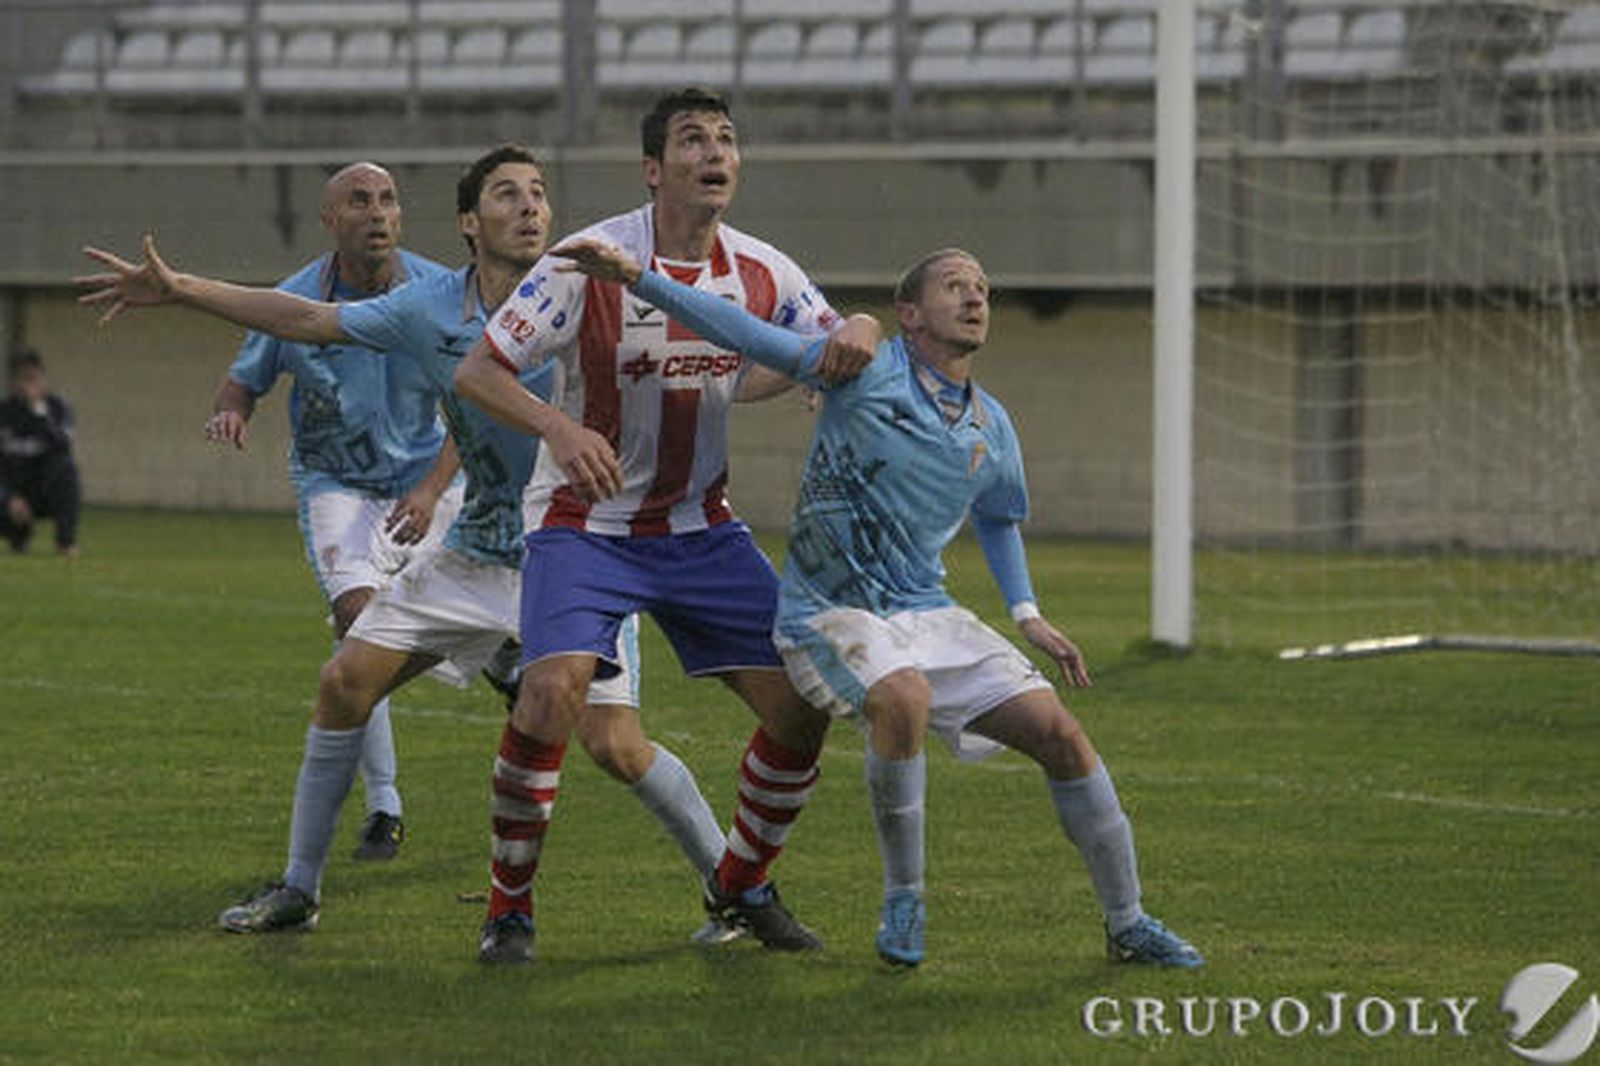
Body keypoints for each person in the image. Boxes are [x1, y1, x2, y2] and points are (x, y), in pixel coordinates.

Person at [76, 145, 744, 946]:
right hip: (475, 551)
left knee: (615, 744)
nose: (531, 207)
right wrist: (180, 288)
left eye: (538, 193)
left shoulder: (592, 297)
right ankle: (299, 887)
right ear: (469, 222)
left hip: (574, 556)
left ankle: (734, 889)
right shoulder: (429, 307)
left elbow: (702, 343)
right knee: (344, 682)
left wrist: (794, 365)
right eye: (507, 194)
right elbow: (305, 318)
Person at [549, 238, 1205, 970]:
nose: (975, 296)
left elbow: (997, 517)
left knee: (1061, 735)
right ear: (909, 314)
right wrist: (641, 278)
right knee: (902, 699)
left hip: (927, 612)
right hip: (830, 611)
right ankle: (904, 899)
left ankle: (1128, 923)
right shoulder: (859, 369)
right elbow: (742, 333)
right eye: (955, 284)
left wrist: (1026, 614)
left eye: (982, 285)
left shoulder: (991, 422)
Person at [452, 88, 881, 964]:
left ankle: (741, 887)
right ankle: (508, 912)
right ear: (654, 170)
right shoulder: (588, 260)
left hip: (700, 528)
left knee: (804, 708)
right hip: (583, 526)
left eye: (725, 139)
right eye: (692, 140)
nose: (714, 152)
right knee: (550, 693)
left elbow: (834, 339)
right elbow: (480, 371)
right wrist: (560, 429)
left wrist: (861, 333)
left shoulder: (763, 270)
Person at [204, 162, 464, 861]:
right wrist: (229, 412)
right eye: (359, 201)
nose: (377, 212)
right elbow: (241, 382)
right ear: (330, 220)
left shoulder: (442, 293)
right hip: (337, 484)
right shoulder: (293, 302)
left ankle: (493, 653)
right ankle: (385, 806)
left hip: (428, 479)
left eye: (388, 200)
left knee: (473, 611)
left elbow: (479, 402)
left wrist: (435, 489)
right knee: (359, 622)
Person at [1, 348, 82, 557]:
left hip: (46, 490)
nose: (26, 384)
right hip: (15, 491)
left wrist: (38, 410)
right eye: (22, 378)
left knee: (67, 469)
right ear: (13, 380)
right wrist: (8, 497)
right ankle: (18, 537)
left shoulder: (58, 407)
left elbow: (63, 445)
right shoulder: (4, 412)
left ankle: (66, 542)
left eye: (32, 377)